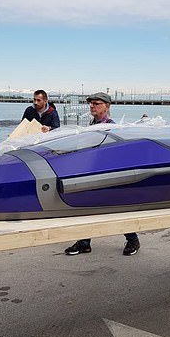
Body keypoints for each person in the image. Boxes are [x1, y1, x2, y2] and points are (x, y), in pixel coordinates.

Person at [64, 92, 141, 256]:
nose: (92, 106)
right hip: (92, 172)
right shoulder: (92, 125)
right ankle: (84, 242)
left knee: (118, 208)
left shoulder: (111, 128)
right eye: (91, 104)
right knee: (86, 207)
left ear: (107, 106)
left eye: (97, 103)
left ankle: (133, 239)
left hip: (109, 174)